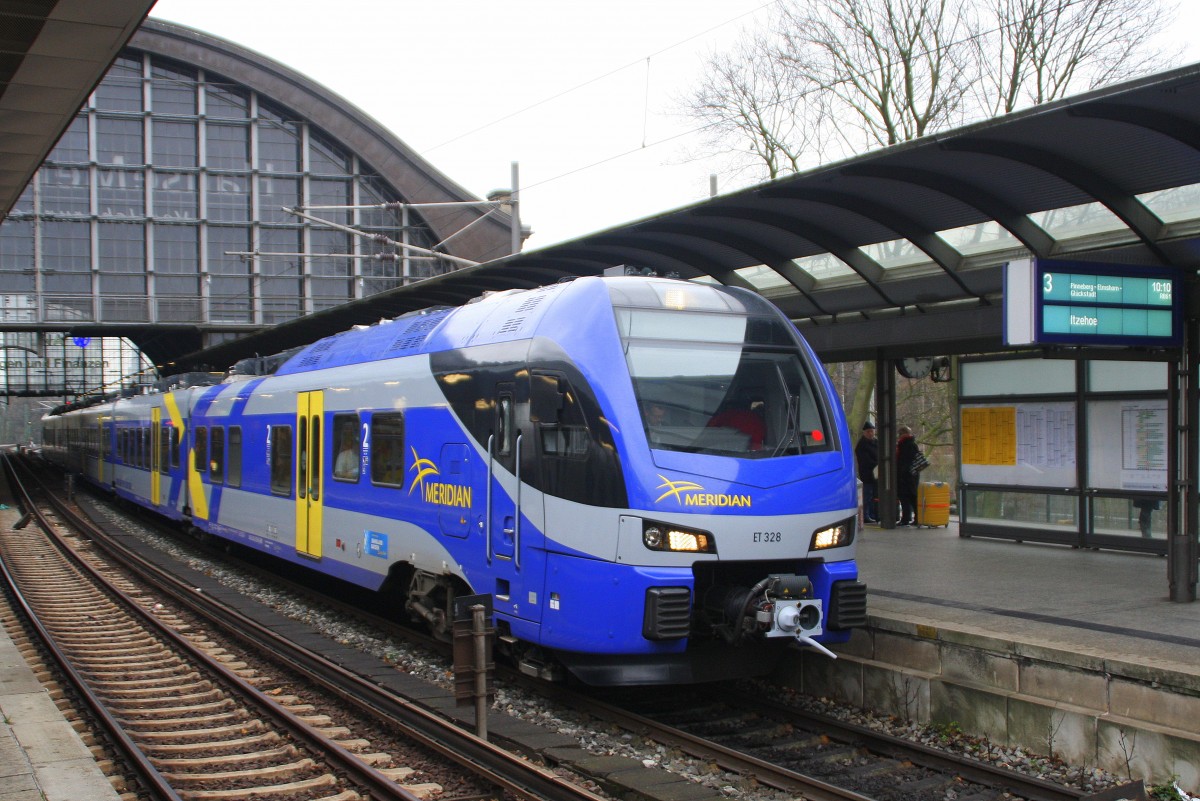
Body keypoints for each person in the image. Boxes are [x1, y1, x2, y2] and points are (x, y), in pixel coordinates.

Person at [895, 425, 920, 526]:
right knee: (913, 497)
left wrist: (901, 473)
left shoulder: (904, 444)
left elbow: (904, 461)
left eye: (900, 434)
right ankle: (916, 518)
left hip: (905, 476)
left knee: (904, 497)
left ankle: (905, 519)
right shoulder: (912, 444)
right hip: (913, 475)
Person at [855, 420, 879, 523]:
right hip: (867, 474)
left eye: (872, 431)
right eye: (868, 431)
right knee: (867, 495)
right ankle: (866, 515)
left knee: (874, 495)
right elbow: (865, 460)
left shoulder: (876, 442)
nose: (870, 433)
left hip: (875, 473)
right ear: (864, 433)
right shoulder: (862, 445)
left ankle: (872, 514)